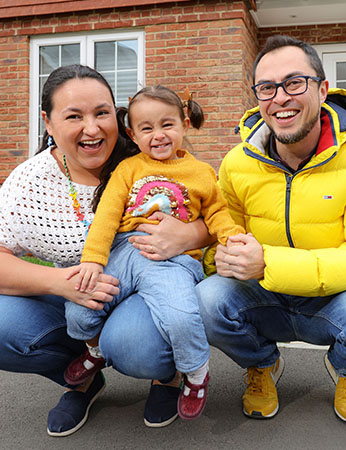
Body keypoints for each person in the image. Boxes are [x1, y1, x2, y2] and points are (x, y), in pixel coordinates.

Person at [0, 65, 212, 436]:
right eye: (74, 116)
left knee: (134, 344)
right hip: (78, 294)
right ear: (48, 123)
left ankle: (168, 376)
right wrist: (62, 282)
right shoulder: (32, 179)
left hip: (147, 286)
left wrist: (190, 235)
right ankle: (85, 379)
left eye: (102, 113)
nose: (92, 128)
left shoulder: (151, 155)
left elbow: (217, 211)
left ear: (119, 116)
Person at [196, 35, 346, 424]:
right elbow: (219, 236)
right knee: (206, 301)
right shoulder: (237, 162)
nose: (280, 98)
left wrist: (267, 263)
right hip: (263, 295)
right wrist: (219, 256)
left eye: (295, 83)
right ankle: (262, 365)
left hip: (333, 299)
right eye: (266, 88)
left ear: (323, 89)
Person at [62, 85, 244, 421]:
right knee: (80, 304)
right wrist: (93, 259)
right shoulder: (128, 168)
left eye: (167, 125)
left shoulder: (202, 173)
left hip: (172, 261)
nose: (158, 135)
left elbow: (217, 213)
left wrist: (231, 238)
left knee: (181, 316)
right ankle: (95, 350)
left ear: (185, 124)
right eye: (147, 128)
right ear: (132, 133)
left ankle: (195, 373)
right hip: (124, 250)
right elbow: (107, 214)